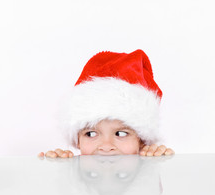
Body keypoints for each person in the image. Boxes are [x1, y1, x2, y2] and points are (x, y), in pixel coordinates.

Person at [39, 49, 174, 158]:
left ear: (142, 141)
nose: (106, 146)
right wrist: (59, 171)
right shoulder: (75, 175)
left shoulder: (145, 173)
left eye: (120, 134)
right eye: (91, 134)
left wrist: (154, 165)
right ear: (78, 142)